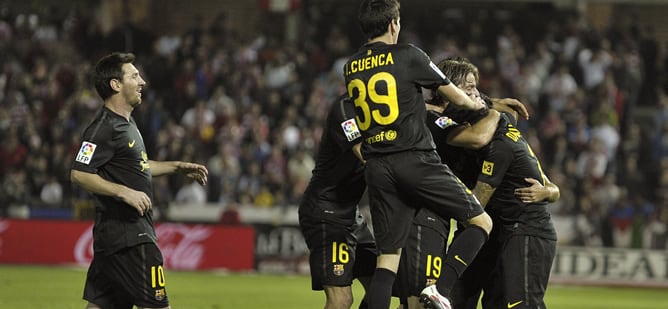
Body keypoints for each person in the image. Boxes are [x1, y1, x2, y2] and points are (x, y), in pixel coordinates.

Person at [343, 1, 523, 308]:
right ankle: (440, 290)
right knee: (482, 222)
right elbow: (457, 97)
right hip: (414, 159)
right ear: (393, 24)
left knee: (387, 262)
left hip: (377, 166)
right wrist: (486, 107)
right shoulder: (409, 54)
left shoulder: (351, 66)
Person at [70, 52, 208, 309]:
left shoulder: (127, 123)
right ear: (116, 85)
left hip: (113, 239)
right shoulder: (103, 128)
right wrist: (123, 191)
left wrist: (176, 167)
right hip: (132, 236)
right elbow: (79, 173)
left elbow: (140, 166)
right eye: (134, 75)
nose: (142, 81)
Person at [428, 57, 560, 309]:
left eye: (476, 88)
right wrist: (494, 109)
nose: (477, 93)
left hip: (515, 227)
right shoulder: (442, 123)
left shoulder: (498, 141)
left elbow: (479, 202)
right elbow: (477, 129)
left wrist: (550, 191)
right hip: (489, 230)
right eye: (470, 88)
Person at [298, 95, 377, 309]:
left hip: (351, 214)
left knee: (380, 288)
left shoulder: (381, 112)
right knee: (341, 299)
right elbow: (363, 153)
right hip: (326, 211)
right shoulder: (346, 109)